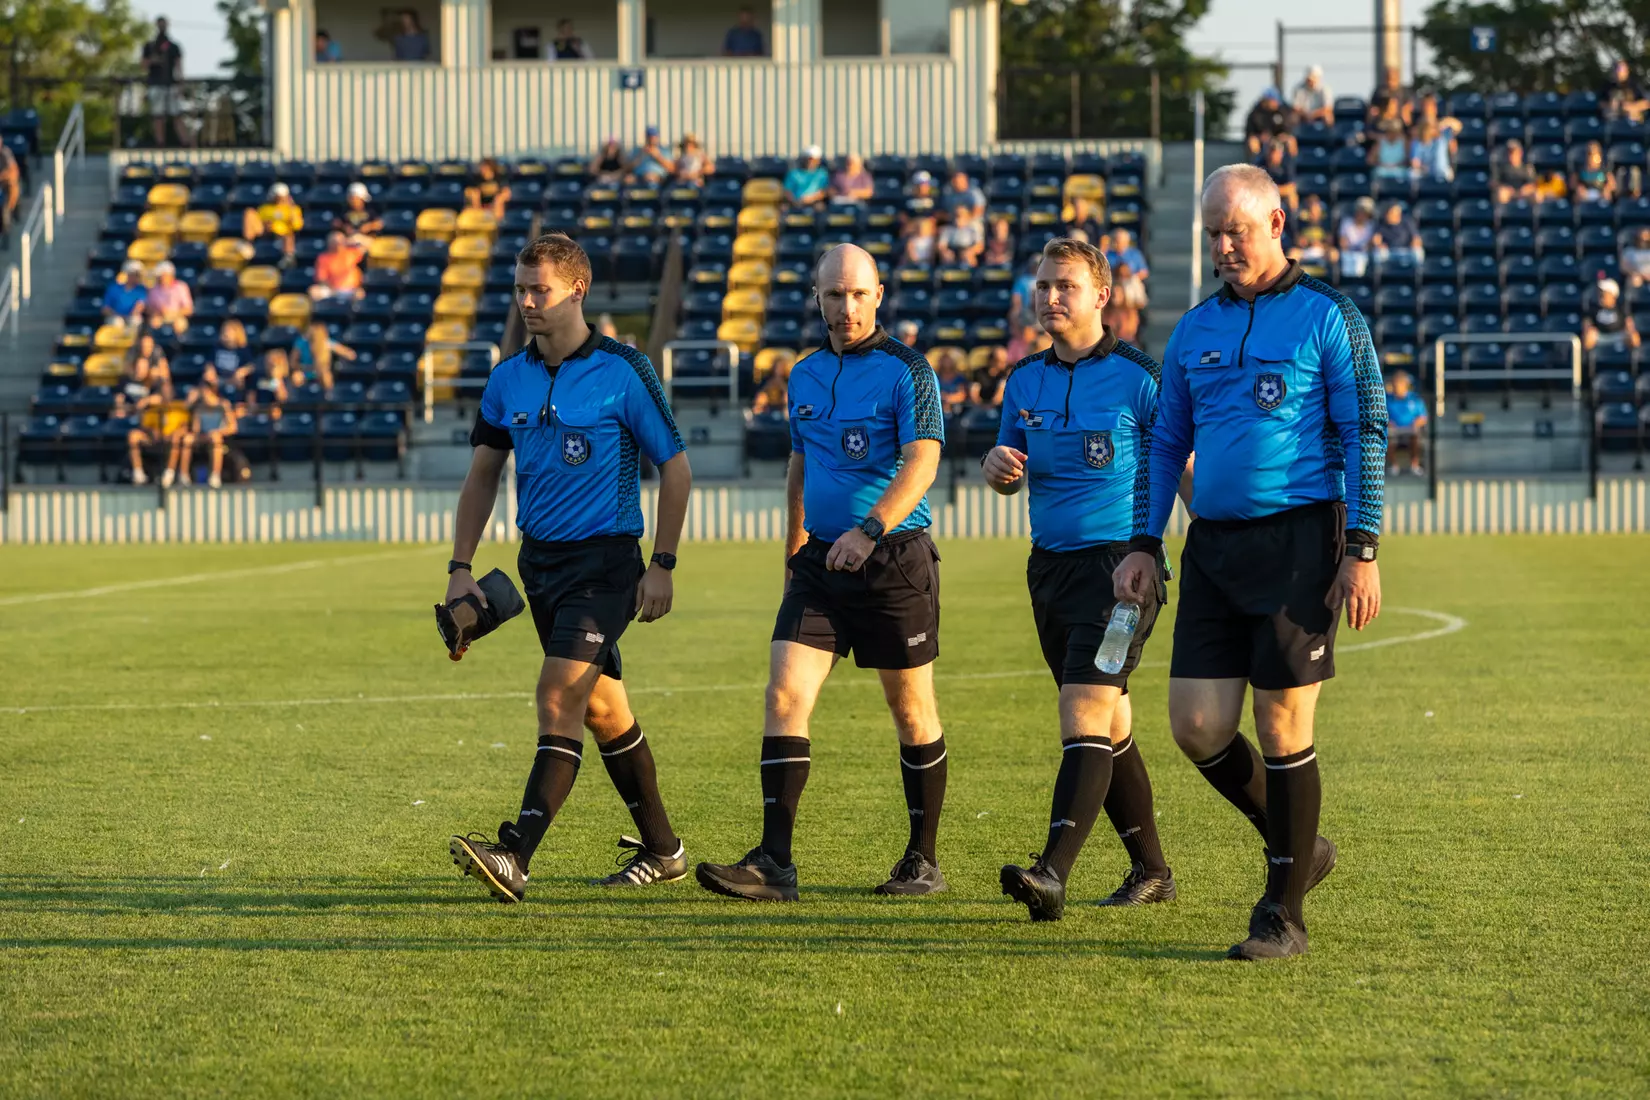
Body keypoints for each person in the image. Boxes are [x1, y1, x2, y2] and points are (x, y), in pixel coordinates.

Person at [1114, 164, 1386, 961]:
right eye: (1212, 235)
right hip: (1214, 547)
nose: (1223, 247)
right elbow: (1167, 441)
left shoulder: (1329, 315)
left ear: (1276, 222)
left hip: (1300, 540)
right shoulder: (1195, 327)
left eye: (1235, 230)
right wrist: (1144, 541)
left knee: (1280, 724)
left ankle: (1281, 913)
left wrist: (1363, 548)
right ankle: (1301, 845)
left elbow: (1366, 429)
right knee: (1197, 727)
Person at [695, 244, 949, 902]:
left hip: (894, 559)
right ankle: (774, 863)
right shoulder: (804, 375)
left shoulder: (910, 371)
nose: (847, 307)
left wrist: (870, 531)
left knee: (911, 709)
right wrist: (793, 554)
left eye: (858, 294)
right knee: (784, 694)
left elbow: (923, 460)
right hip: (820, 564)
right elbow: (800, 468)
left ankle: (922, 860)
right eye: (834, 295)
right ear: (817, 299)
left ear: (879, 295)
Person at [446, 233, 694, 900]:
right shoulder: (507, 378)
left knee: (557, 695)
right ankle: (665, 850)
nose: (527, 302)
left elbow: (675, 469)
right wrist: (460, 567)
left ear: (577, 290)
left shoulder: (624, 370)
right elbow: (482, 476)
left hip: (606, 564)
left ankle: (515, 855)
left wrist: (662, 564)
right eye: (520, 290)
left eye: (540, 290)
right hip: (539, 566)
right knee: (604, 711)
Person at [984, 236, 1186, 920]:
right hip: (1049, 571)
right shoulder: (1024, 380)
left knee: (1083, 711)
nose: (1049, 297)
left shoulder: (1140, 376)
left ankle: (1051, 873)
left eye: (1064, 285)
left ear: (1103, 295)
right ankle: (1152, 870)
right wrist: (997, 469)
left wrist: (1219, 546)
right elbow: (1010, 465)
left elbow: (1184, 465)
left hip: (1122, 572)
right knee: (1110, 720)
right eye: (1043, 285)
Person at [180, 375, 238, 489]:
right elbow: (195, 429)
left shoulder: (223, 405)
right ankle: (183, 475)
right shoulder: (199, 408)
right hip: (203, 437)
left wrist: (218, 432)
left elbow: (233, 427)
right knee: (187, 439)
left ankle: (215, 475)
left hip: (220, 438)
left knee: (215, 438)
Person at [142, 17, 184, 148]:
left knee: (176, 114)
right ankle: (160, 142)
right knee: (157, 116)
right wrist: (152, 61)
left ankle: (185, 142)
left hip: (171, 83)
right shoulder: (150, 46)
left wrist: (180, 84)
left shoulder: (173, 46)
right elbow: (143, 65)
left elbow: (179, 66)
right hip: (155, 84)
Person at [243, 182, 303, 264]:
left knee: (289, 236)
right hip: (265, 232)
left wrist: (291, 211)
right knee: (249, 212)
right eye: (277, 196)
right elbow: (257, 222)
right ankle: (248, 244)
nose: (279, 199)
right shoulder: (264, 208)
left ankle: (288, 257)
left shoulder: (292, 209)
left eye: (281, 197)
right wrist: (265, 224)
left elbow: (297, 226)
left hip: (282, 234)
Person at [1385, 370, 1427, 476]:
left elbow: (1423, 418)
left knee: (1416, 435)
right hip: (1393, 430)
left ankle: (1415, 465)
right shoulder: (1386, 399)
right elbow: (1381, 416)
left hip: (1411, 429)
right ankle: (1393, 465)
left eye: (1399, 384)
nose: (1396, 387)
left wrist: (1415, 424)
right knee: (1388, 436)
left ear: (1405, 385)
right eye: (1394, 384)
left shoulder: (1415, 399)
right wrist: (1388, 422)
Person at [292, 321, 355, 390]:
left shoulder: (327, 343)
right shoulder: (301, 343)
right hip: (306, 371)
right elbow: (293, 362)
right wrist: (303, 367)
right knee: (296, 377)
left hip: (322, 372)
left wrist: (348, 354)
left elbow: (347, 353)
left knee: (326, 377)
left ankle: (328, 394)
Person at [1583, 278, 1640, 352]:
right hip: (1600, 337)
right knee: (1589, 335)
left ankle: (1635, 357)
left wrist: (1630, 333)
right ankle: (1588, 358)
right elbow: (1587, 325)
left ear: (1613, 295)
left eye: (1604, 292)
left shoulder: (1621, 309)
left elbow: (1630, 326)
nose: (1601, 294)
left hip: (1618, 336)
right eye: (1600, 291)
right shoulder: (1593, 309)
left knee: (1633, 337)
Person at [311, 231, 366, 301]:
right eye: (335, 242)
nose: (338, 244)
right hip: (331, 290)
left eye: (340, 241)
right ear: (329, 243)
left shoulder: (351, 253)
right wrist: (333, 289)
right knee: (314, 292)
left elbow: (368, 246)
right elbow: (322, 279)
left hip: (351, 290)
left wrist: (356, 239)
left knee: (360, 293)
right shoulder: (323, 258)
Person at [1105, 261, 1148, 346]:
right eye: (1113, 294)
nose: (1115, 296)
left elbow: (1129, 332)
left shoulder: (1130, 313)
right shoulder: (1105, 312)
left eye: (1118, 294)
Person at [144, 261, 193, 333]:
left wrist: (173, 313)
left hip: (177, 317)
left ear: (170, 274)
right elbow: (148, 308)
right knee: (154, 322)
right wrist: (158, 312)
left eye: (163, 275)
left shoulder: (181, 287)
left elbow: (189, 309)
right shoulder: (154, 289)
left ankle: (178, 340)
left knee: (180, 324)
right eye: (160, 276)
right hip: (160, 317)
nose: (161, 278)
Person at [1244, 88, 1294, 157]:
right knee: (1253, 142)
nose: (1276, 103)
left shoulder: (1282, 111)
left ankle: (1292, 163)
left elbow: (1287, 129)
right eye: (1273, 100)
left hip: (1277, 139)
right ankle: (1255, 161)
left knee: (1291, 141)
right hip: (1262, 140)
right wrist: (1259, 136)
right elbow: (1250, 132)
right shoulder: (1256, 113)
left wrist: (1283, 135)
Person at [1337, 196, 1377, 278]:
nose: (1363, 215)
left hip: (1364, 253)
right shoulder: (1346, 223)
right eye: (1361, 211)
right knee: (1348, 258)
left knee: (1361, 259)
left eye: (1366, 213)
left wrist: (1366, 247)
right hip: (1348, 252)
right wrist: (1348, 250)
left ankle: (1358, 282)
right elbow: (1343, 242)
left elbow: (1370, 244)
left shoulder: (1371, 225)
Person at [102, 261, 149, 328]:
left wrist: (129, 316)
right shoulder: (113, 288)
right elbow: (105, 309)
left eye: (137, 275)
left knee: (135, 320)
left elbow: (139, 306)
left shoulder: (141, 290)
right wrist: (117, 315)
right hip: (115, 317)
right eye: (133, 274)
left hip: (130, 317)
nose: (136, 277)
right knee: (117, 322)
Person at [1258, 140, 1298, 213]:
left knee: (1292, 197)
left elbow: (1291, 187)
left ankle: (1292, 219)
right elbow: (1259, 188)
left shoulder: (1287, 162)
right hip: (1265, 196)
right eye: (1272, 152)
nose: (1273, 156)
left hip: (1280, 195)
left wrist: (1273, 190)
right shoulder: (1260, 163)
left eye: (1277, 153)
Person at [1368, 117, 1410, 183]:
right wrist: (1382, 164)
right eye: (1390, 131)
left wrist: (1398, 164)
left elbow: (1408, 159)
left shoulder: (1404, 142)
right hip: (1382, 170)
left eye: (1395, 131)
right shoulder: (1380, 142)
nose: (1392, 133)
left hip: (1399, 170)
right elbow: (1370, 160)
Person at [934, 349, 970, 414]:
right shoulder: (935, 377)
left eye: (949, 360)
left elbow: (962, 395)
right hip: (938, 408)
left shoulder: (960, 378)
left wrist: (947, 398)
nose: (947, 363)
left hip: (957, 409)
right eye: (944, 360)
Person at [0, 142, 19, 248]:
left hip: (4, 187)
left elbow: (13, 171)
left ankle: (6, 237)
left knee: (5, 212)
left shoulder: (6, 154)